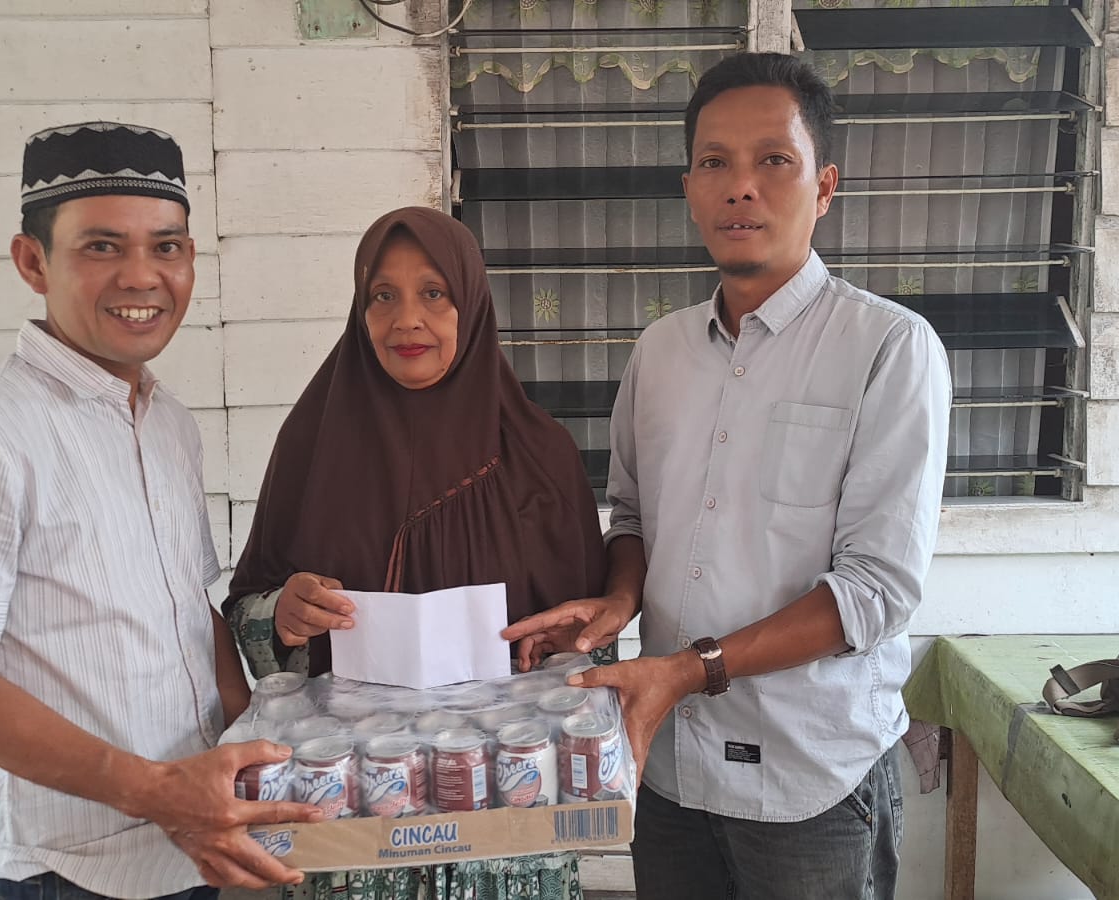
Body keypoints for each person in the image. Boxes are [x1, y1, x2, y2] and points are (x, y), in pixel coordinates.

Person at [503, 53, 953, 899]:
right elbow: (633, 519)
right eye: (715, 162)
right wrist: (617, 603)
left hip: (811, 779)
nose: (740, 186)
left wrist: (685, 670)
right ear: (690, 188)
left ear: (824, 187)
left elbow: (876, 590)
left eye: (773, 160)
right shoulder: (661, 351)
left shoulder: (889, 349)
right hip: (669, 764)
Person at [0, 122, 320, 900]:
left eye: (166, 247)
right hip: (63, 872)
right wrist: (158, 792)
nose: (141, 276)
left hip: (191, 849)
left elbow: (190, 614)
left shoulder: (167, 420)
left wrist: (252, 754)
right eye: (101, 247)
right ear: (33, 262)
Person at [225, 206, 606, 899]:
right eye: (382, 295)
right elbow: (248, 610)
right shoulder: (313, 446)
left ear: (472, 303)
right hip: (349, 832)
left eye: (434, 293)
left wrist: (564, 649)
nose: (406, 320)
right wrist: (283, 615)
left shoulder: (539, 455)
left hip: (506, 837)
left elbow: (590, 643)